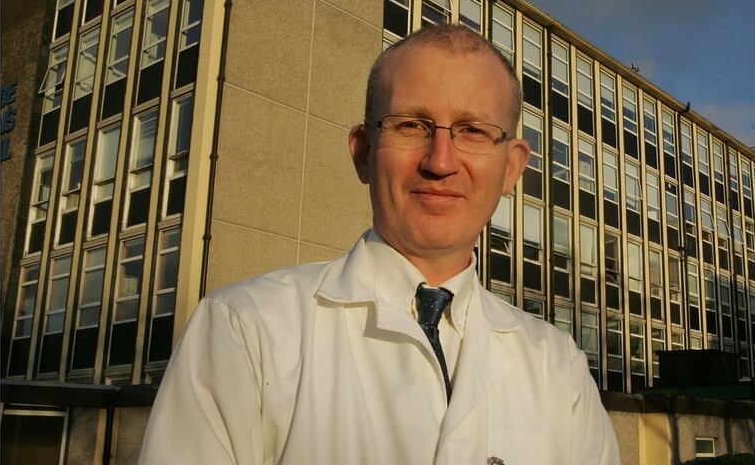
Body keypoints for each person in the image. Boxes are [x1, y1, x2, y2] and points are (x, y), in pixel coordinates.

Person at [138, 24, 621, 464]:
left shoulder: (559, 367)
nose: (440, 161)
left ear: (511, 168)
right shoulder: (244, 332)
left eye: (473, 130)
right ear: (364, 153)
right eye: (412, 125)